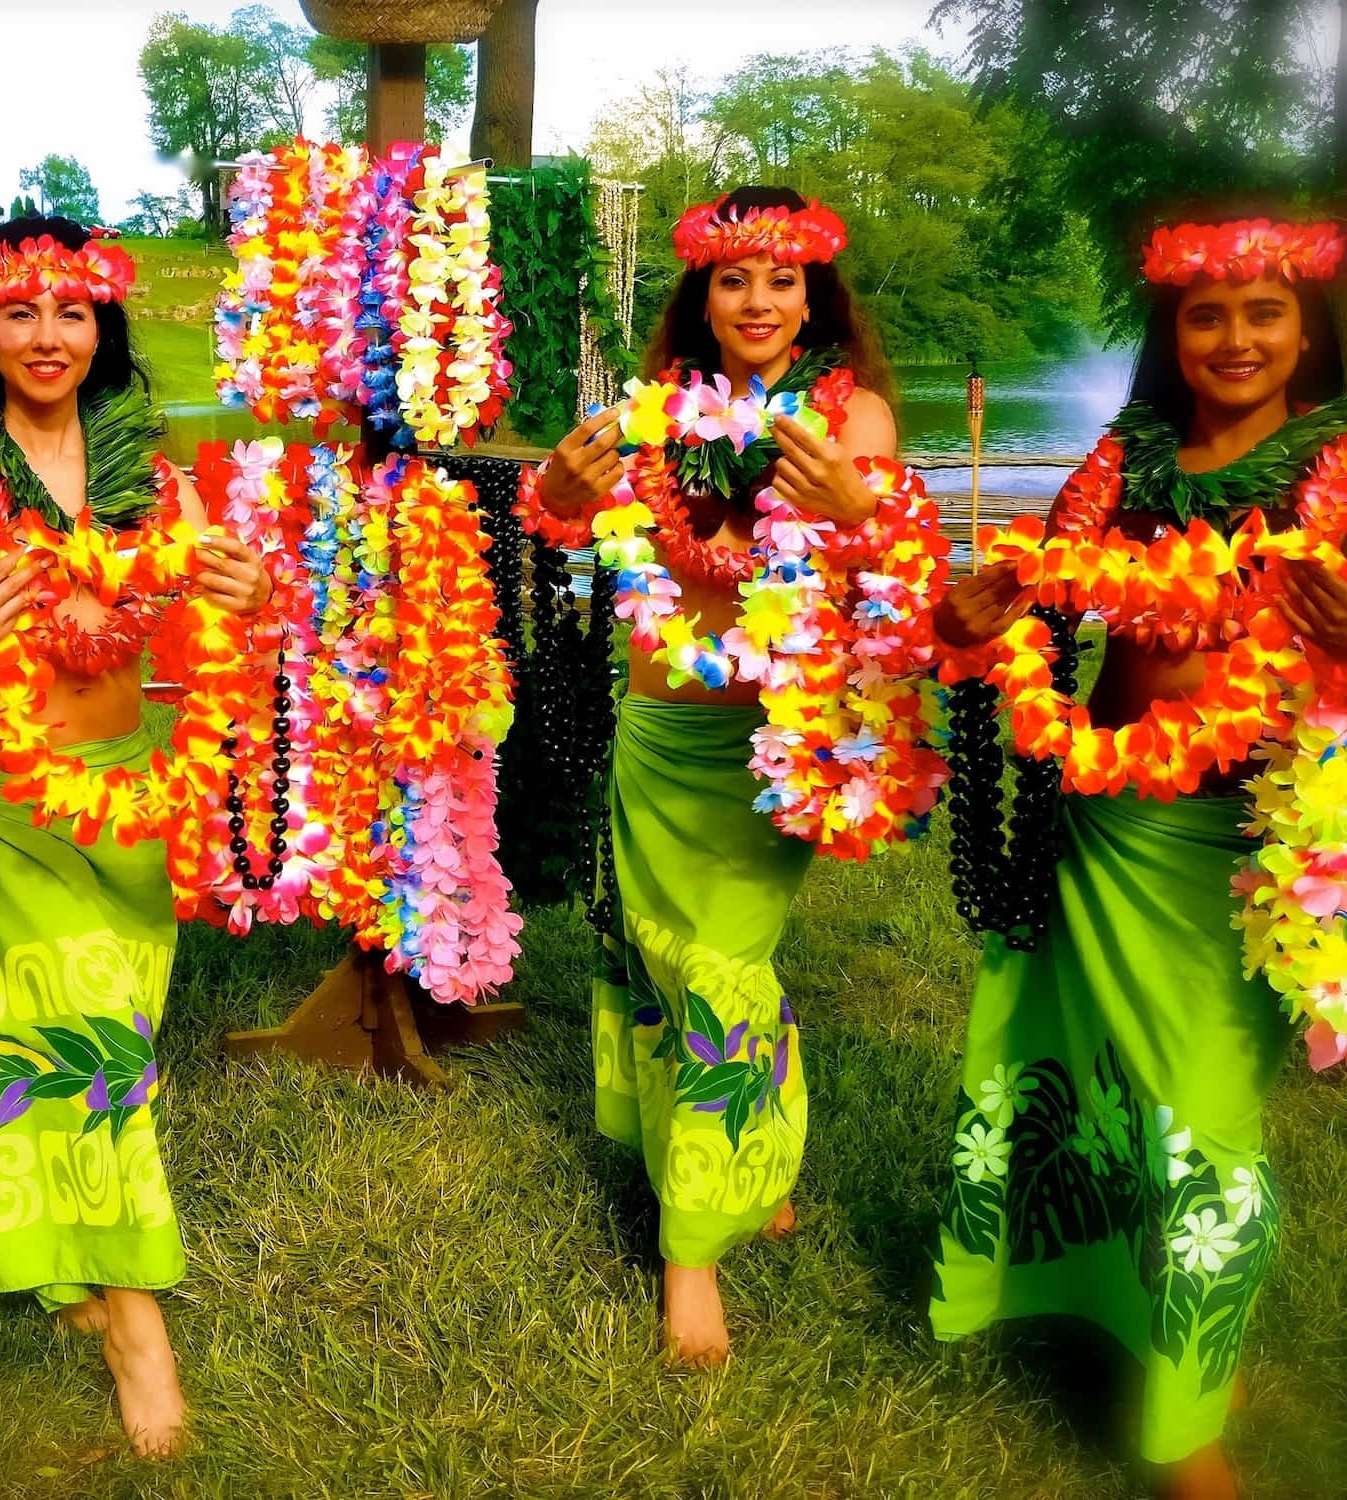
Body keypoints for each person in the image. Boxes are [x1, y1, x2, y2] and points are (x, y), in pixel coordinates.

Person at [929, 208, 1347, 1500]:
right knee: (1076, 1083)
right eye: (1206, 314)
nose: (1234, 337)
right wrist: (971, 611)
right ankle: (1096, 1313)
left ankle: (1185, 1421)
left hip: (1250, 848)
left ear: (1308, 328)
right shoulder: (1122, 462)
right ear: (1173, 333)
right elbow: (1018, 609)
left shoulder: (1339, 465)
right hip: (1103, 829)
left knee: (1206, 1132)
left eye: (1263, 312)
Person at [0, 216, 270, 1458]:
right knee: (85, 1040)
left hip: (138, 791)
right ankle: (134, 1319)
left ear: (104, 329)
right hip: (14, 807)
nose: (47, 337)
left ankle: (47, 1240)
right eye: (18, 312)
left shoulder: (159, 476)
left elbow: (214, 615)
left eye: (72, 312)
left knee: (103, 1035)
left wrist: (248, 592)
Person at [526, 186, 905, 1365]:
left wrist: (855, 519)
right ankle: (752, 1167)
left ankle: (688, 1255)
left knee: (725, 970)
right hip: (658, 731)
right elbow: (555, 521)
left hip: (774, 742)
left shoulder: (854, 421)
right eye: (731, 279)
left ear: (812, 297)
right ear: (699, 296)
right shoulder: (648, 417)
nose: (755, 299)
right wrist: (561, 490)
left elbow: (889, 591)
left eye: (780, 278)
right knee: (661, 962)